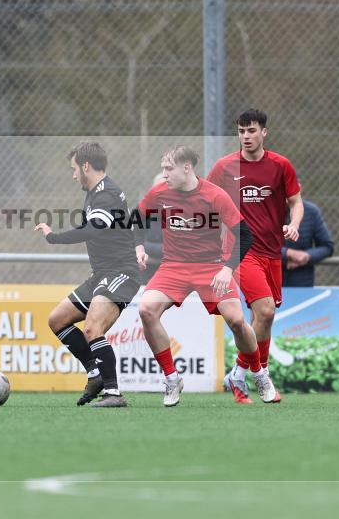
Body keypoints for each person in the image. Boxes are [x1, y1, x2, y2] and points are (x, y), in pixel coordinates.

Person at [135, 145, 277, 407]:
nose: (164, 174)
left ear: (186, 167)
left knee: (236, 320)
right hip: (173, 266)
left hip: (211, 267)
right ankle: (171, 378)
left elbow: (244, 235)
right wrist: (139, 246)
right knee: (146, 310)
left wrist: (227, 268)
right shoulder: (159, 193)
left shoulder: (215, 195)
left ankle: (258, 374)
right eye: (163, 169)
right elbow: (136, 218)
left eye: (169, 168)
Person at [35, 142, 141, 408]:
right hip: (101, 275)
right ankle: (95, 373)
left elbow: (93, 230)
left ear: (85, 166)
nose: (73, 175)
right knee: (57, 319)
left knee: (92, 328)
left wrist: (53, 237)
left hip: (121, 274)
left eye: (74, 169)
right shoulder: (96, 193)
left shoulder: (107, 194)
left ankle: (113, 394)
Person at [208, 108, 302, 404]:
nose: (245, 137)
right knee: (265, 311)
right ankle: (260, 376)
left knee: (263, 319)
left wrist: (294, 224)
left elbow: (296, 202)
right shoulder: (225, 167)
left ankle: (238, 372)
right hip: (240, 251)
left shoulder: (280, 165)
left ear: (264, 132)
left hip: (272, 253)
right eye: (240, 131)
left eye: (251, 131)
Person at [282, 196, 334, 287]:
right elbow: (255, 245)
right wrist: (287, 253)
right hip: (268, 282)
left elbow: (327, 246)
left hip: (302, 284)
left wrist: (306, 256)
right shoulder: (262, 210)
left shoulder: (311, 212)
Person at [138, 173, 166, 285]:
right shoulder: (142, 211)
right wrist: (164, 249)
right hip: (147, 265)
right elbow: (136, 241)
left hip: (173, 266)